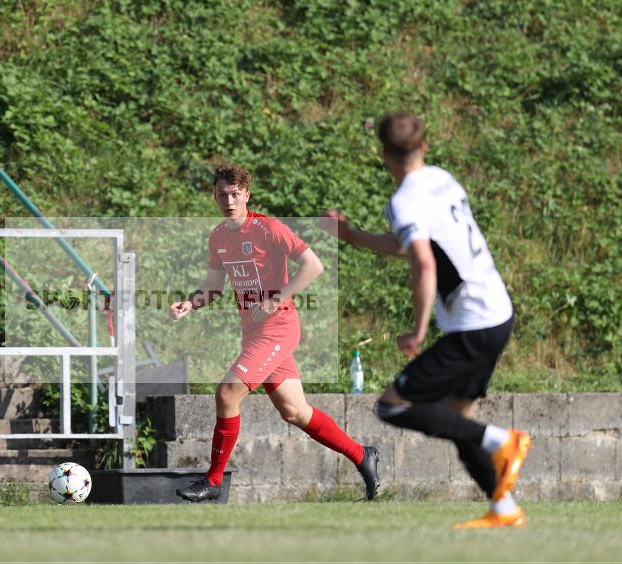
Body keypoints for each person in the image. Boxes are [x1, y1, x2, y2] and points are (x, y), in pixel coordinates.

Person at [322, 112, 530, 528]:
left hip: (471, 324)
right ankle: (503, 508)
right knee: (457, 415)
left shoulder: (404, 201)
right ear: (425, 147)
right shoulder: (442, 178)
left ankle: (501, 441)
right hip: (496, 312)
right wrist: (353, 235)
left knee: (392, 407)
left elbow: (422, 261)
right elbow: (416, 245)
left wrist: (418, 329)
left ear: (382, 154)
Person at [170, 164, 380, 502]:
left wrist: (279, 297)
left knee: (227, 393)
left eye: (235, 194)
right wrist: (191, 304)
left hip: (279, 329)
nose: (229, 200)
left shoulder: (268, 229)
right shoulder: (218, 237)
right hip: (255, 334)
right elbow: (213, 285)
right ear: (214, 196)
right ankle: (361, 455)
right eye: (222, 194)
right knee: (294, 411)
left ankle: (212, 481)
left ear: (246, 195)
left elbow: (314, 265)